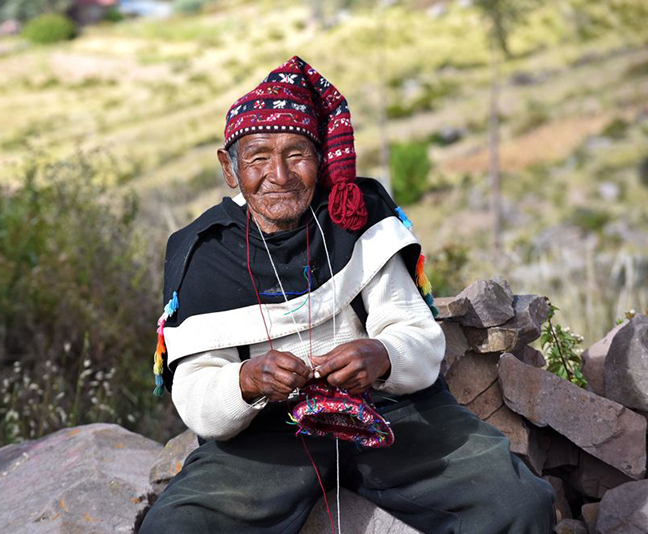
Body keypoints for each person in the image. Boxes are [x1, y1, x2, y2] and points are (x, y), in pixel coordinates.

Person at [140, 56, 554, 533]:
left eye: (297, 154)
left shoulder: (355, 215)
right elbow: (195, 395)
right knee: (176, 527)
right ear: (229, 168)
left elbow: (416, 336)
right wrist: (249, 380)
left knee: (516, 501)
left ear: (319, 158)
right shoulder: (202, 252)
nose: (279, 174)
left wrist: (381, 355)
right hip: (266, 437)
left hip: (390, 412)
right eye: (257, 157)